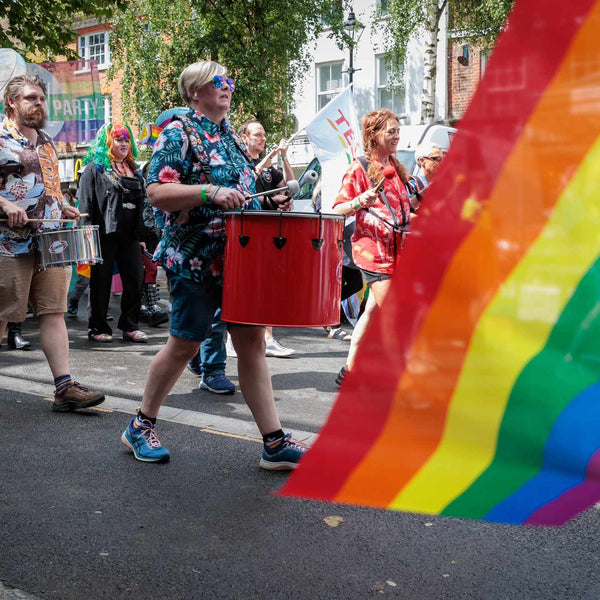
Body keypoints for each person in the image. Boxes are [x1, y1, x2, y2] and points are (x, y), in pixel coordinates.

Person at [121, 60, 306, 469]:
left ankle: (273, 443)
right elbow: (156, 191)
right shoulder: (180, 131)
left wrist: (268, 198)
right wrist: (208, 191)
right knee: (185, 344)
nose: (227, 88)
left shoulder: (231, 138)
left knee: (252, 342)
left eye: (229, 82)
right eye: (217, 82)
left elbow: (242, 191)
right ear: (195, 91)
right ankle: (139, 424)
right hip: (195, 259)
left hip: (237, 260)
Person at [0, 74, 104, 411]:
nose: (39, 104)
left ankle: (64, 389)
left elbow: (49, 186)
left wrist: (62, 205)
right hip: (7, 242)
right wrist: (5, 204)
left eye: (42, 98)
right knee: (1, 315)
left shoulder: (46, 140)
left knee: (54, 312)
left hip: (50, 239)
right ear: (12, 102)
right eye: (31, 98)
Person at [332, 108, 413, 386]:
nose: (396, 136)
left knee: (372, 312)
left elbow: (402, 215)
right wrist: (360, 201)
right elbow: (337, 211)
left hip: (397, 253)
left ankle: (349, 373)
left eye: (398, 131)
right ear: (374, 134)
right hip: (373, 254)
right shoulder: (360, 168)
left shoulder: (397, 168)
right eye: (391, 131)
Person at [77, 123, 148, 343]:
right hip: (103, 235)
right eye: (119, 140)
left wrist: (143, 238)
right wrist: (87, 238)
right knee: (101, 282)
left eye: (127, 140)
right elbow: (85, 206)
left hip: (130, 235)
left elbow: (142, 206)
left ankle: (129, 325)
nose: (124, 144)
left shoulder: (133, 169)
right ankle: (97, 327)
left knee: (136, 279)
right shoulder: (94, 169)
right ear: (108, 142)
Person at [238, 119, 295, 358]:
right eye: (258, 134)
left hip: (272, 231)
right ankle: (241, 338)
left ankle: (268, 337)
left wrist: (283, 158)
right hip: (248, 232)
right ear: (244, 138)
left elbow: (292, 187)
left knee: (268, 285)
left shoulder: (271, 167)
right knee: (249, 286)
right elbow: (248, 179)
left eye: (264, 134)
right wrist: (268, 159)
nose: (263, 138)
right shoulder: (240, 162)